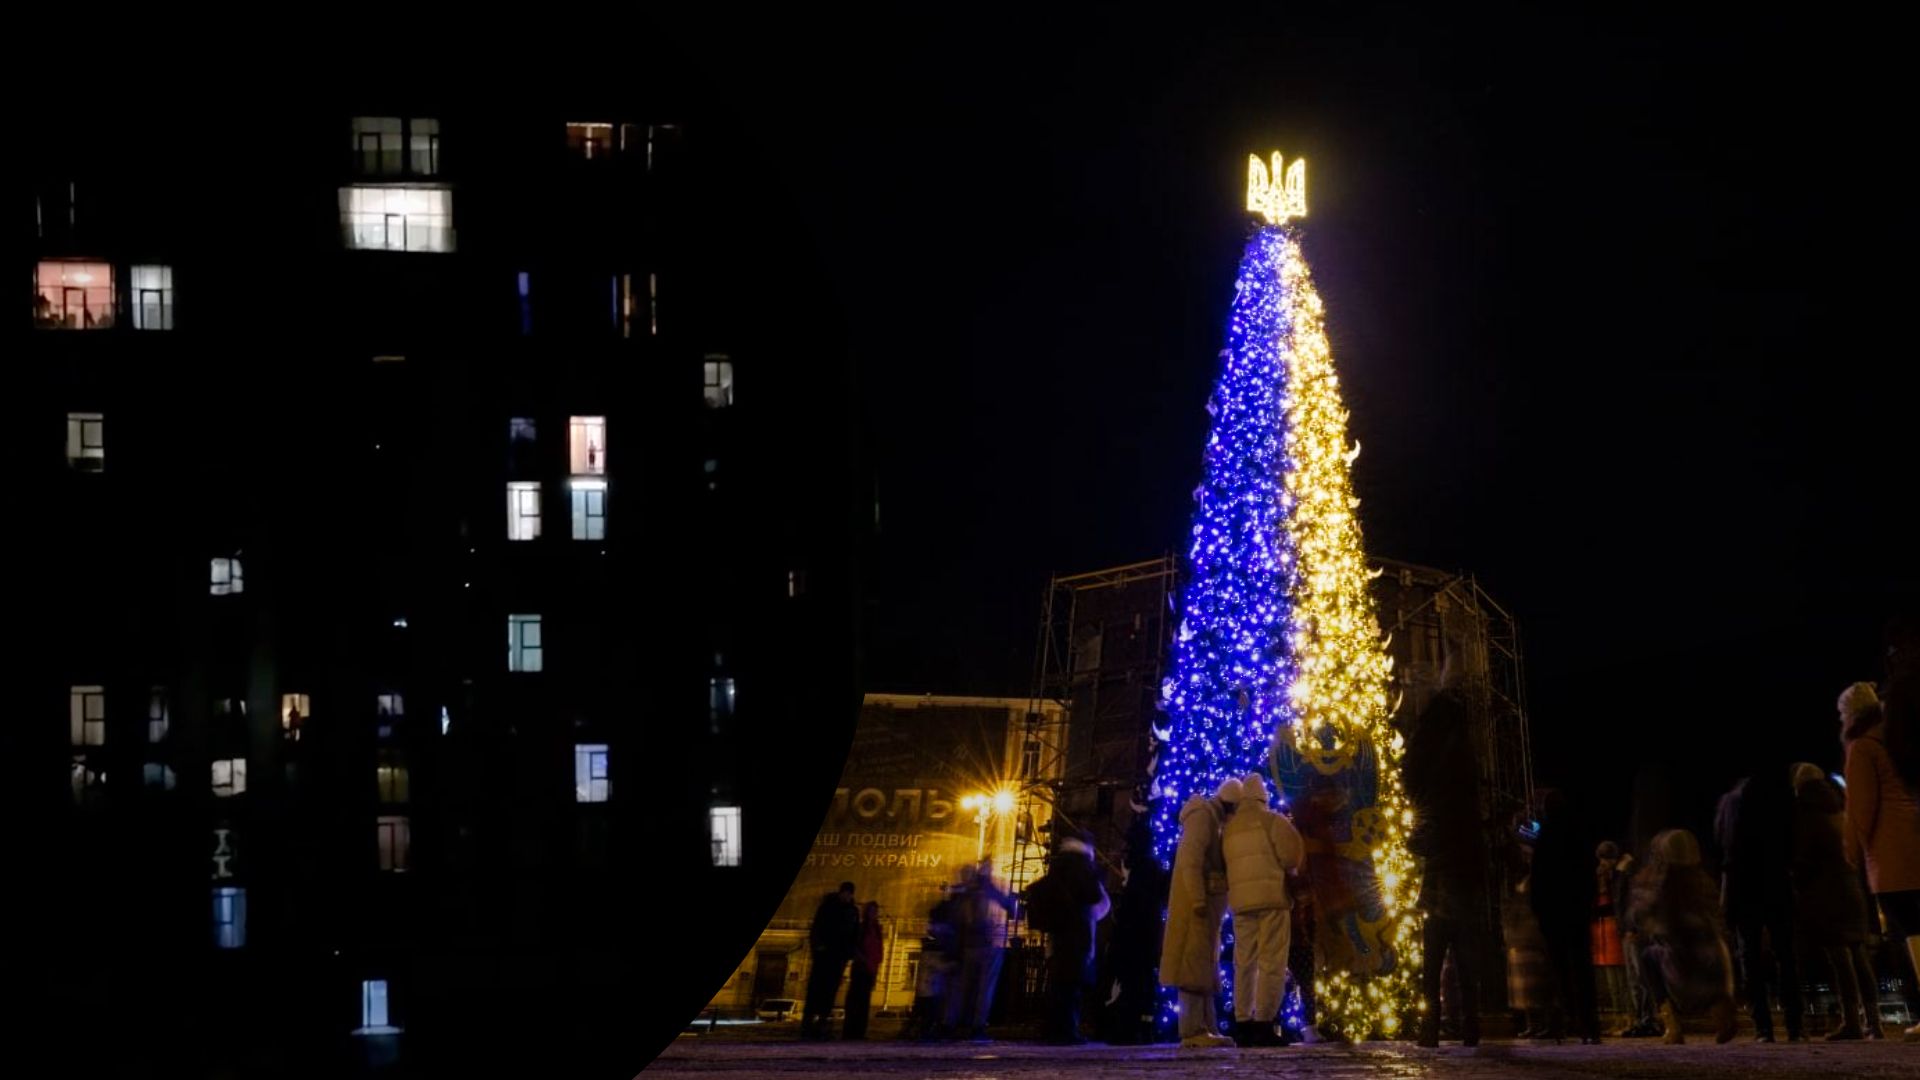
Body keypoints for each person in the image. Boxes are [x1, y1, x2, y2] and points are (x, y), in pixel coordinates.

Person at [1403, 656, 1490, 1048]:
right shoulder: (1463, 779)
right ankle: (1469, 1024)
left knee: (1433, 957)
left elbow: (1422, 831)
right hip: (1463, 879)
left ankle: (1431, 1028)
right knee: (1465, 958)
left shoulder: (1435, 785)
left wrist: (1418, 841)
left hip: (1441, 884)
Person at [1841, 679, 1920, 1041]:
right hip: (1914, 841)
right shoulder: (1899, 740)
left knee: (1908, 932)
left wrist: (1852, 849)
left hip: (1891, 854)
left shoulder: (1862, 748)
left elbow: (1861, 807)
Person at [1789, 761, 1882, 1039]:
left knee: (1840, 957)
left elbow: (1802, 860)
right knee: (1859, 954)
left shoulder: (1807, 815)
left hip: (1826, 893)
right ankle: (1874, 1023)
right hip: (1852, 888)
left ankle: (1851, 1021)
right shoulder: (1841, 811)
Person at [1718, 760, 1806, 1042]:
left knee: (1750, 959)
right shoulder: (1779, 805)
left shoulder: (1730, 807)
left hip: (1744, 887)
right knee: (1786, 955)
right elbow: (1792, 846)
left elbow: (1727, 852)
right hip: (1775, 883)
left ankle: (1763, 1028)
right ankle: (1795, 1024)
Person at [1628, 828, 1737, 1044]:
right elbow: (1717, 914)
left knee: (1646, 955)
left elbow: (1642, 917)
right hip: (1713, 957)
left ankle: (1672, 1025)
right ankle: (1722, 1014)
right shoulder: (1702, 881)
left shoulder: (1661, 884)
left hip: (1681, 959)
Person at [1222, 772, 1304, 1047]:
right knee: (1272, 962)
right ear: (1263, 797)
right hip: (1272, 900)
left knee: (1243, 962)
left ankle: (1242, 1021)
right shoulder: (1272, 821)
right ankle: (1264, 1023)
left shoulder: (1230, 828)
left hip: (1242, 904)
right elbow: (1292, 855)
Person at [1160, 777, 1241, 1049]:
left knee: (1203, 964)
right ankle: (1193, 1029)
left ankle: (1205, 1026)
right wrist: (1197, 899)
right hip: (1196, 906)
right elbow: (1191, 861)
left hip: (1203, 905)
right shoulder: (1203, 819)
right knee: (1193, 965)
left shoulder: (1210, 819)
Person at [1026, 830, 1111, 1044]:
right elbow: (1094, 897)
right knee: (1072, 986)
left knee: (1058, 985)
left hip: (1059, 932)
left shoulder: (1059, 865)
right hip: (1078, 932)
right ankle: (1067, 1031)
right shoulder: (1083, 868)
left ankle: (1053, 1029)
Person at [1530, 790, 1601, 1043]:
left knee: (1560, 969)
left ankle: (1570, 1019)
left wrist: (1539, 908)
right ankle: (1589, 1023)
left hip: (1555, 912)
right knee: (1582, 966)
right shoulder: (1578, 833)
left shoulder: (1547, 837)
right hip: (1576, 909)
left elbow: (1539, 877)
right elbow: (1588, 872)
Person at [945, 858, 1015, 1041]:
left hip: (968, 944)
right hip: (986, 943)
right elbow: (1010, 907)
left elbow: (955, 915)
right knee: (984, 989)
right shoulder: (988, 889)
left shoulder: (967, 890)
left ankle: (957, 1024)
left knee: (965, 987)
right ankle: (976, 1026)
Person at [1610, 844, 1662, 1037]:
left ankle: (1648, 1020)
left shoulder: (1627, 873)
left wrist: (1631, 927)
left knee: (1641, 978)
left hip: (1634, 932)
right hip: (1627, 931)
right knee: (1635, 978)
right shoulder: (1620, 873)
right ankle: (1642, 1019)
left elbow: (1630, 902)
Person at [803, 881, 861, 1039]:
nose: (847, 896)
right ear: (840, 892)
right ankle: (808, 1023)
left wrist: (850, 952)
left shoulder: (853, 911)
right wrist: (818, 948)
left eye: (849, 893)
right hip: (824, 955)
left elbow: (855, 934)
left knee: (830, 990)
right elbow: (816, 929)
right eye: (845, 892)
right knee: (816, 988)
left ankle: (822, 1022)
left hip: (839, 957)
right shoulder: (827, 907)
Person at [905, 888, 958, 1041]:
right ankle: (924, 1031)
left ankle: (918, 1029)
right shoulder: (940, 935)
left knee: (925, 1006)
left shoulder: (934, 935)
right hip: (931, 984)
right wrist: (952, 964)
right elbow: (937, 962)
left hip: (928, 984)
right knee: (930, 1007)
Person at [843, 901, 884, 1039]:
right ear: (866, 912)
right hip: (861, 968)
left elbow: (878, 949)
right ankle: (850, 1031)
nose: (874, 914)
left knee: (864, 1001)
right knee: (856, 1000)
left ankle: (860, 1031)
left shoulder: (877, 929)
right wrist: (863, 959)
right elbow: (855, 946)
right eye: (871, 911)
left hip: (871, 969)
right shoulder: (862, 927)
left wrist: (876, 965)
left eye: (876, 911)